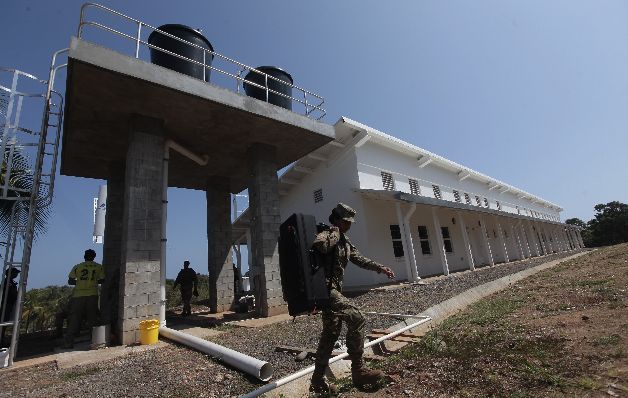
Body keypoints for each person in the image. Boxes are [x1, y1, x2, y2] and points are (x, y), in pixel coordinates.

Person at [310, 203, 396, 395]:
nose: (349, 225)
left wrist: (380, 268)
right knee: (357, 317)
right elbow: (321, 247)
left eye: (350, 223)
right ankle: (358, 370)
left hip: (334, 292)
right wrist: (334, 232)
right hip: (325, 290)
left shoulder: (345, 242)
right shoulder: (327, 233)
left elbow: (360, 259)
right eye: (347, 222)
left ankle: (316, 381)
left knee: (330, 335)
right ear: (338, 220)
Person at [64, 249, 104, 348]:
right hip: (92, 295)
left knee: (74, 319)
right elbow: (102, 280)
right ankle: (94, 341)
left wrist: (80, 283)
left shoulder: (78, 266)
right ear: (94, 257)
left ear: (84, 256)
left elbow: (70, 281)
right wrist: (93, 282)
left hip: (78, 295)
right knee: (92, 319)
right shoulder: (99, 267)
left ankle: (68, 343)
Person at [0, 267, 19, 346]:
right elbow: (9, 295)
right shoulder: (7, 283)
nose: (17, 274)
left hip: (8, 305)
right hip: (6, 305)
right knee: (2, 323)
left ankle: (1, 340)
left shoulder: (10, 282)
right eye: (15, 273)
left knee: (4, 324)